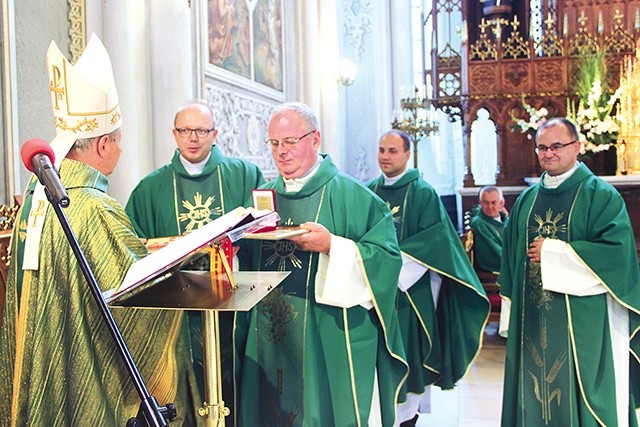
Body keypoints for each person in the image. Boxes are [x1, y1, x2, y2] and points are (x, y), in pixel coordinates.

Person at [0, 35, 197, 425]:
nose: (121, 151)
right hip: (87, 378)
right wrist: (179, 265)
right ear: (103, 144)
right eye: (119, 142)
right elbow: (138, 309)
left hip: (47, 367)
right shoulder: (93, 207)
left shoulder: (38, 198)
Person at [236, 102, 408, 426]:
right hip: (271, 334)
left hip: (327, 334)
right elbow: (244, 262)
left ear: (315, 139)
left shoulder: (354, 196)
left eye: (290, 141)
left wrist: (331, 246)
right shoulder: (261, 200)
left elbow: (386, 260)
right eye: (274, 143)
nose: (281, 152)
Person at [125, 99, 264, 424]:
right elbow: (133, 247)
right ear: (174, 134)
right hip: (177, 316)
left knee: (235, 386)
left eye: (201, 130)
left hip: (234, 305)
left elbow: (260, 229)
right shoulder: (150, 188)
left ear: (214, 133)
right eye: (185, 130)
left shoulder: (243, 175)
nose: (193, 138)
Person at [500, 117, 640, 426]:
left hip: (584, 318)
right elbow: (510, 257)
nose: (548, 154)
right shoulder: (526, 200)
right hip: (532, 318)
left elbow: (616, 256)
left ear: (577, 147)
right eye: (542, 148)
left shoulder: (599, 195)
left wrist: (553, 253)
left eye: (557, 146)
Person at [367, 130, 489, 426]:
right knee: (379, 355)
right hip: (375, 290)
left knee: (408, 353)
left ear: (408, 155)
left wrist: (390, 266)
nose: (385, 156)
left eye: (393, 151)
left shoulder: (423, 193)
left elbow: (435, 241)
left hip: (410, 292)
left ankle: (408, 418)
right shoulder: (369, 190)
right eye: (382, 150)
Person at [469, 185, 508, 275]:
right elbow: (495, 254)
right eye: (486, 203)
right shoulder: (479, 223)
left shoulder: (505, 219)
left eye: (493, 203)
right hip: (495, 269)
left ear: (501, 203)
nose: (490, 207)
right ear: (480, 203)